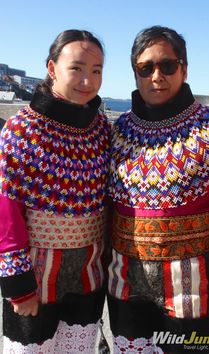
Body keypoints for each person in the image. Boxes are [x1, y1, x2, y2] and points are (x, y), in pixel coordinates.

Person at [107, 25, 209, 354]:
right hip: (124, 279)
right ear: (135, 73)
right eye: (145, 67)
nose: (156, 76)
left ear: (184, 68)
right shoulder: (119, 130)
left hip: (191, 282)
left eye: (167, 65)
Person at [0, 29, 110, 353]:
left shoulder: (102, 130)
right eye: (76, 68)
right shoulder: (22, 130)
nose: (87, 81)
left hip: (89, 275)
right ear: (52, 69)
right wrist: (18, 285)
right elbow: (6, 213)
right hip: (35, 277)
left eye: (96, 71)